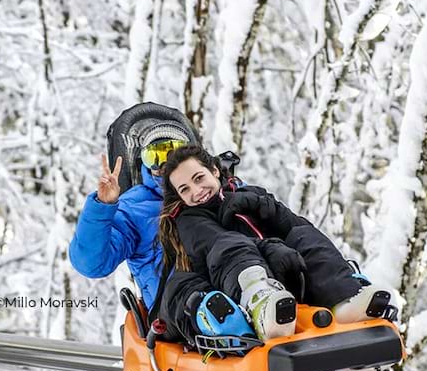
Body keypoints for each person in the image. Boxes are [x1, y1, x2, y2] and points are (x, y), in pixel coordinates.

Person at [157, 145, 398, 344]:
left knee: (303, 235)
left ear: (215, 171)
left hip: (287, 275)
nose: (197, 191)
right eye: (185, 189)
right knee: (231, 245)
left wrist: (267, 208)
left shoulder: (249, 193)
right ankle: (261, 307)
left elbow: (297, 227)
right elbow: (217, 247)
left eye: (199, 178)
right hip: (238, 289)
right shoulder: (190, 220)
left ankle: (344, 300)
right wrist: (271, 248)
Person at [69, 102, 200, 314]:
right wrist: (103, 207)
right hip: (179, 322)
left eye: (175, 153)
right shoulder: (134, 209)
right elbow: (91, 263)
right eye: (155, 155)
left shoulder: (213, 192)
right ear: (144, 163)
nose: (166, 163)